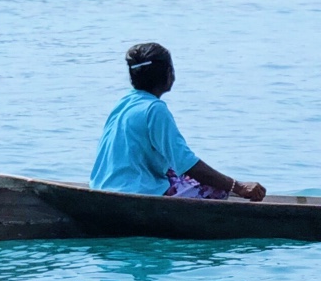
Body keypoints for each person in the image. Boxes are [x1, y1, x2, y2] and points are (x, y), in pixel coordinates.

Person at [89, 42, 266, 201]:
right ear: (168, 73)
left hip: (101, 185)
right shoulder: (155, 109)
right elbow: (187, 163)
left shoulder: (124, 102)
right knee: (216, 190)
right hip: (135, 190)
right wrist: (237, 186)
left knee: (176, 173)